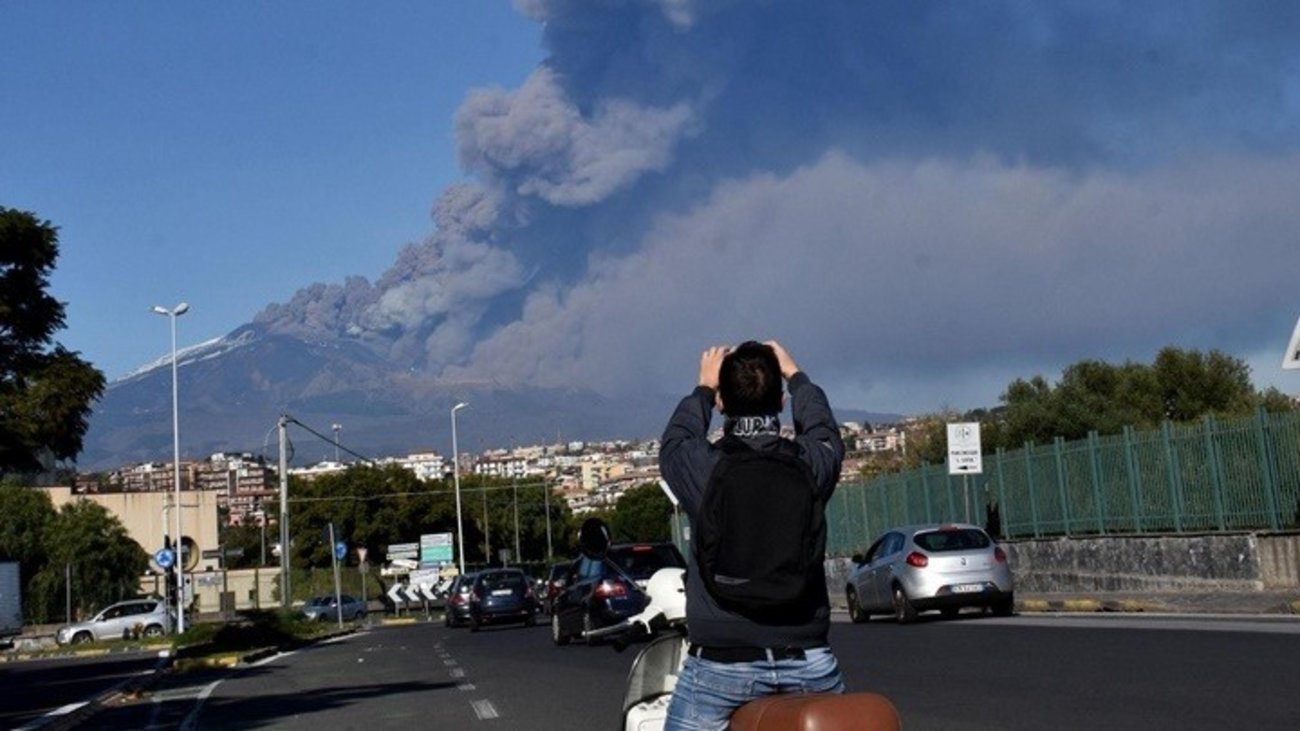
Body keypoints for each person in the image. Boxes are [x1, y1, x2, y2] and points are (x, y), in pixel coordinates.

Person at [658, 340, 846, 730]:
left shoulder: (704, 470)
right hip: (808, 661)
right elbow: (825, 431)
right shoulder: (810, 464)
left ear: (722, 403)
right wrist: (798, 377)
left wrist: (704, 389)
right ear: (780, 402)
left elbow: (676, 442)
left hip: (721, 666)